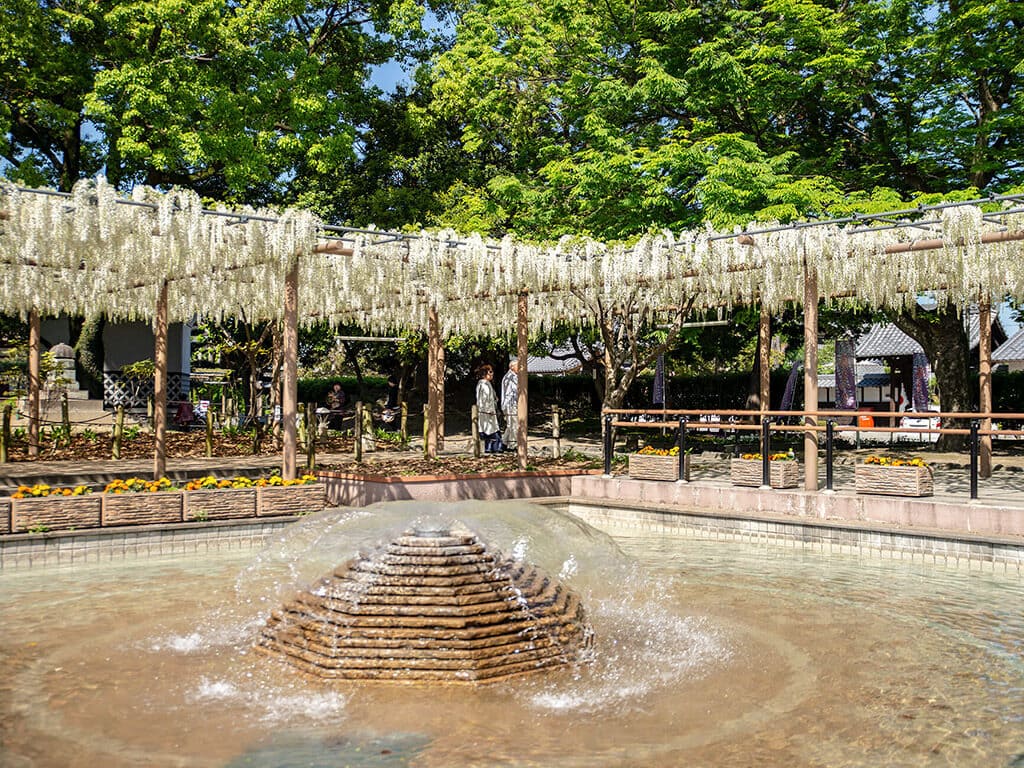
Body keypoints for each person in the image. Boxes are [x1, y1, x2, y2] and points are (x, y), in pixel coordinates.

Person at [475, 364, 503, 453]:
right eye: (490, 372)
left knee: (488, 429)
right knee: (491, 430)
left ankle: (490, 448)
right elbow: (485, 399)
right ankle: (494, 448)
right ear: (485, 374)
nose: (492, 374)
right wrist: (489, 410)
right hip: (487, 411)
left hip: (485, 410)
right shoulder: (484, 385)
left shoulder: (484, 384)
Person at [500, 359, 519, 452]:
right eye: (517, 366)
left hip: (508, 404)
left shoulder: (508, 376)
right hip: (511, 404)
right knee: (513, 424)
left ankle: (503, 443)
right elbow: (515, 391)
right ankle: (512, 444)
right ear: (512, 367)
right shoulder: (512, 377)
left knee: (510, 425)